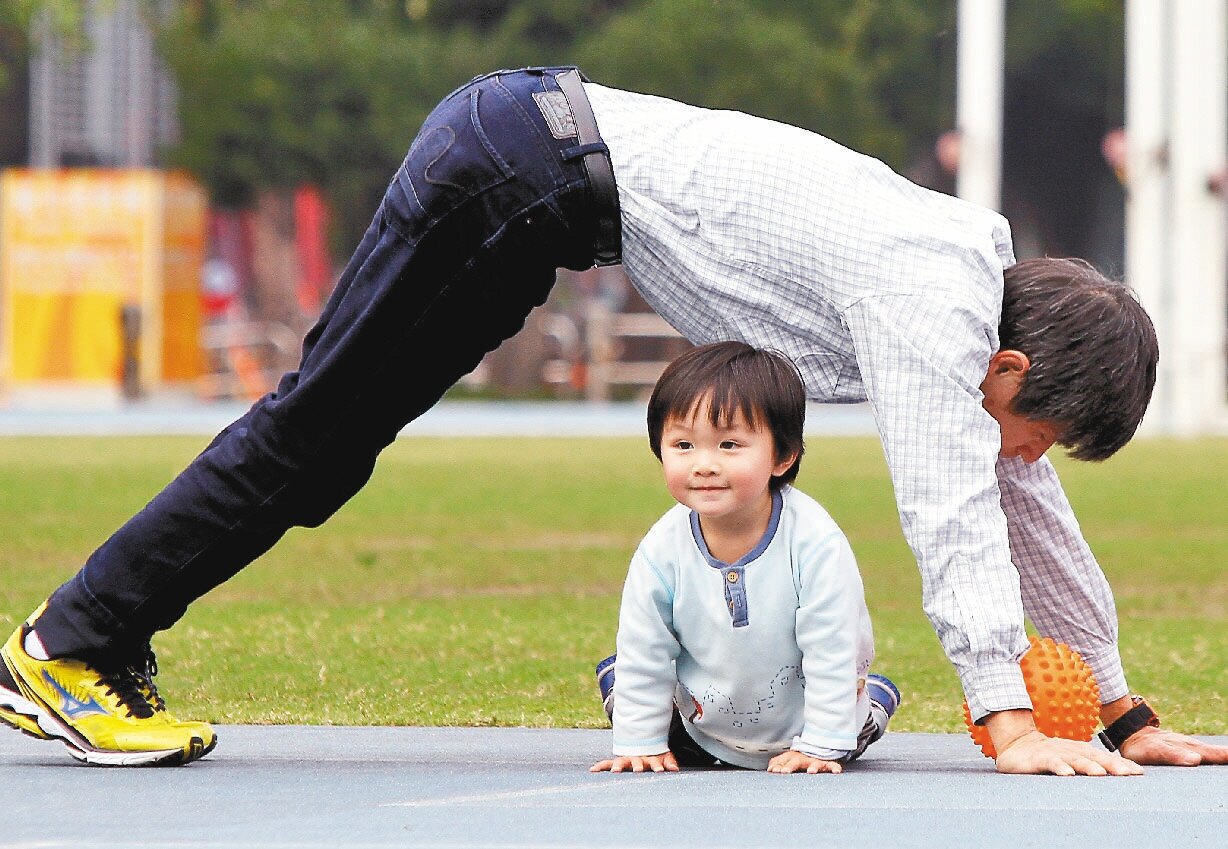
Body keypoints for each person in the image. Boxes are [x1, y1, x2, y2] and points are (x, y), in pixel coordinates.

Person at [0, 66, 1223, 773]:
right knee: (313, 435)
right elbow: (952, 507)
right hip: (517, 167)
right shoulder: (931, 301)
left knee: (321, 445)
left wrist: (1124, 711)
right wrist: (1006, 722)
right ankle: (74, 643)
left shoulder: (969, 293)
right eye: (1038, 428)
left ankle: (91, 635)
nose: (1027, 455)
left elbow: (1019, 507)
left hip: (526, 173)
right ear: (1010, 364)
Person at [589, 342, 900, 774]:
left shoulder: (814, 543)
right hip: (701, 726)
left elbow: (832, 648)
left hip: (806, 726)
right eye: (683, 444)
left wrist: (823, 745)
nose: (704, 464)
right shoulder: (662, 548)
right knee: (627, 675)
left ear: (783, 456)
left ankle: (878, 698)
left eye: (729, 444)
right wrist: (641, 741)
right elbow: (645, 646)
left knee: (852, 723)